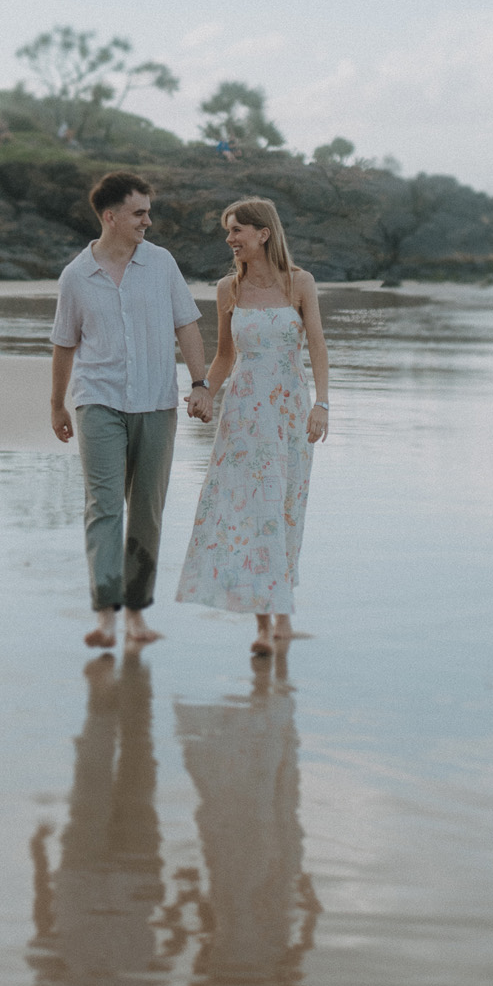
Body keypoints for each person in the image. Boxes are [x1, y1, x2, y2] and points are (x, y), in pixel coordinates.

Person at [51, 171, 212, 652]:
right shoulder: (77, 275)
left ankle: (138, 614)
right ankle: (106, 614)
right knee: (103, 506)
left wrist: (200, 384)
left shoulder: (161, 264)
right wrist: (56, 403)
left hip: (157, 402)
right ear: (111, 216)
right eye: (139, 212)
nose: (148, 220)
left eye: (147, 211)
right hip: (97, 400)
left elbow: (187, 327)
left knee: (147, 510)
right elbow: (64, 345)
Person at [175, 197, 329, 655]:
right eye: (228, 231)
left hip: (289, 411)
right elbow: (225, 356)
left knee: (284, 508)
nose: (230, 239)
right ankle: (264, 625)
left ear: (264, 233)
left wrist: (322, 404)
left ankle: (283, 612)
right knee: (252, 511)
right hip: (244, 415)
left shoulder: (300, 282)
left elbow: (317, 346)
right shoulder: (229, 289)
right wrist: (204, 390)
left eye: (237, 230)